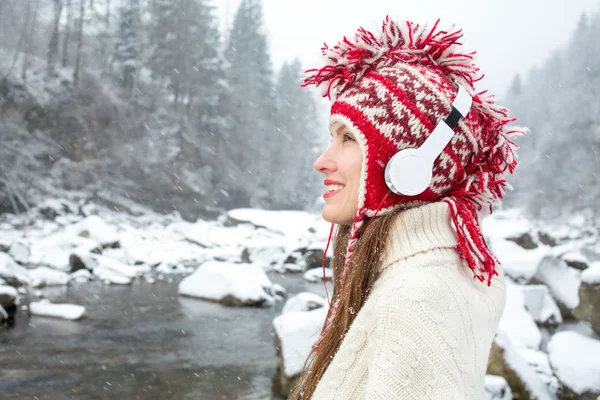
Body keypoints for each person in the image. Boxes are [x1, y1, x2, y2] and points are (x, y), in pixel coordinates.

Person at [287, 17, 525, 400]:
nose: (322, 161)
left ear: (413, 167)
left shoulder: (414, 300)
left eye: (348, 139)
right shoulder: (429, 273)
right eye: (332, 138)